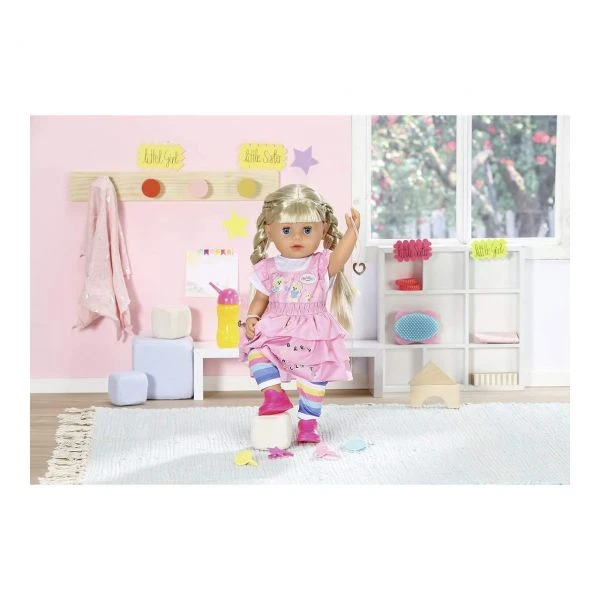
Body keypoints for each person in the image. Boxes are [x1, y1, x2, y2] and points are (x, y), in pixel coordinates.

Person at [239, 184, 360, 443]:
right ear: (269, 231)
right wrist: (251, 318)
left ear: (323, 229)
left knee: (314, 380)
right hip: (275, 328)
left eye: (307, 230)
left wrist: (352, 232)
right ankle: (274, 395)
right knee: (257, 353)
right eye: (286, 230)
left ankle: (308, 423)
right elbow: (260, 298)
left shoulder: (321, 264)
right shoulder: (267, 267)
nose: (297, 237)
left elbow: (341, 256)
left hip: (313, 332)